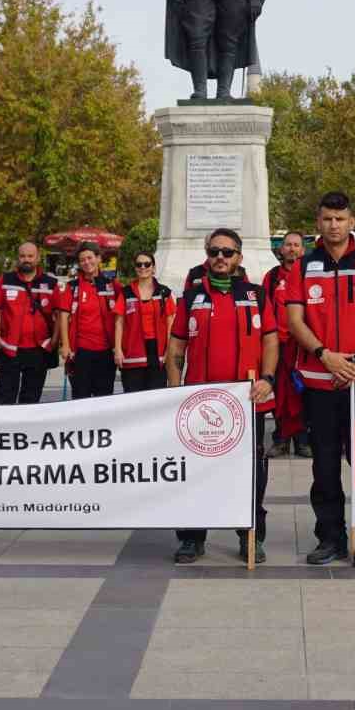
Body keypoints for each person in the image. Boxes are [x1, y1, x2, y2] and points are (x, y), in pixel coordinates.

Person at [285, 191, 355, 567]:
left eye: (340, 219)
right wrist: (325, 356)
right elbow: (295, 320)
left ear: (351, 222)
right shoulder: (303, 265)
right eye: (327, 219)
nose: (334, 225)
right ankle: (330, 537)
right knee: (325, 465)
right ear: (318, 222)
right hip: (319, 380)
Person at [166, 227, 278, 563]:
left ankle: (249, 535)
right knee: (196, 471)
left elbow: (271, 341)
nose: (220, 258)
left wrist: (269, 378)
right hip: (200, 405)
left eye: (227, 252)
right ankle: (191, 537)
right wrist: (174, 388)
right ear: (207, 256)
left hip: (248, 401)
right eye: (214, 251)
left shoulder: (257, 296)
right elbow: (176, 345)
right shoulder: (191, 297)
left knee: (251, 472)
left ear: (239, 258)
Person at [0, 242, 57, 404]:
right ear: (18, 258)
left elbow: (60, 314)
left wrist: (55, 340)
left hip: (39, 350)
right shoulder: (6, 280)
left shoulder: (50, 283)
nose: (26, 259)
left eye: (30, 256)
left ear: (38, 258)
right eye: (23, 256)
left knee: (31, 397)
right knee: (5, 396)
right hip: (10, 348)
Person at [56, 242, 125, 399]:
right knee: (81, 398)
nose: (86, 262)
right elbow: (64, 317)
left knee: (104, 398)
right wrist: (65, 345)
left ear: (98, 258)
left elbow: (122, 316)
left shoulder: (112, 286)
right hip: (80, 353)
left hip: (106, 352)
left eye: (90, 258)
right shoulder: (72, 287)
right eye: (82, 260)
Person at [263, 232, 309, 458]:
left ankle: (302, 440)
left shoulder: (310, 274)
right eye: (288, 245)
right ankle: (280, 439)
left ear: (303, 250)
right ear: (280, 250)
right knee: (279, 395)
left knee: (302, 394)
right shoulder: (271, 277)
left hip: (303, 345)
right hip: (277, 346)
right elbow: (264, 309)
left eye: (296, 245)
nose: (292, 249)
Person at [119, 253, 175, 392]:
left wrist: (169, 350)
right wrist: (118, 350)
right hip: (133, 352)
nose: (143, 267)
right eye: (139, 264)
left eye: (147, 264)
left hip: (157, 352)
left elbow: (170, 324)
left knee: (156, 397)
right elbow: (119, 322)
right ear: (135, 268)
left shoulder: (164, 292)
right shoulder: (126, 293)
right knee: (133, 397)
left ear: (154, 268)